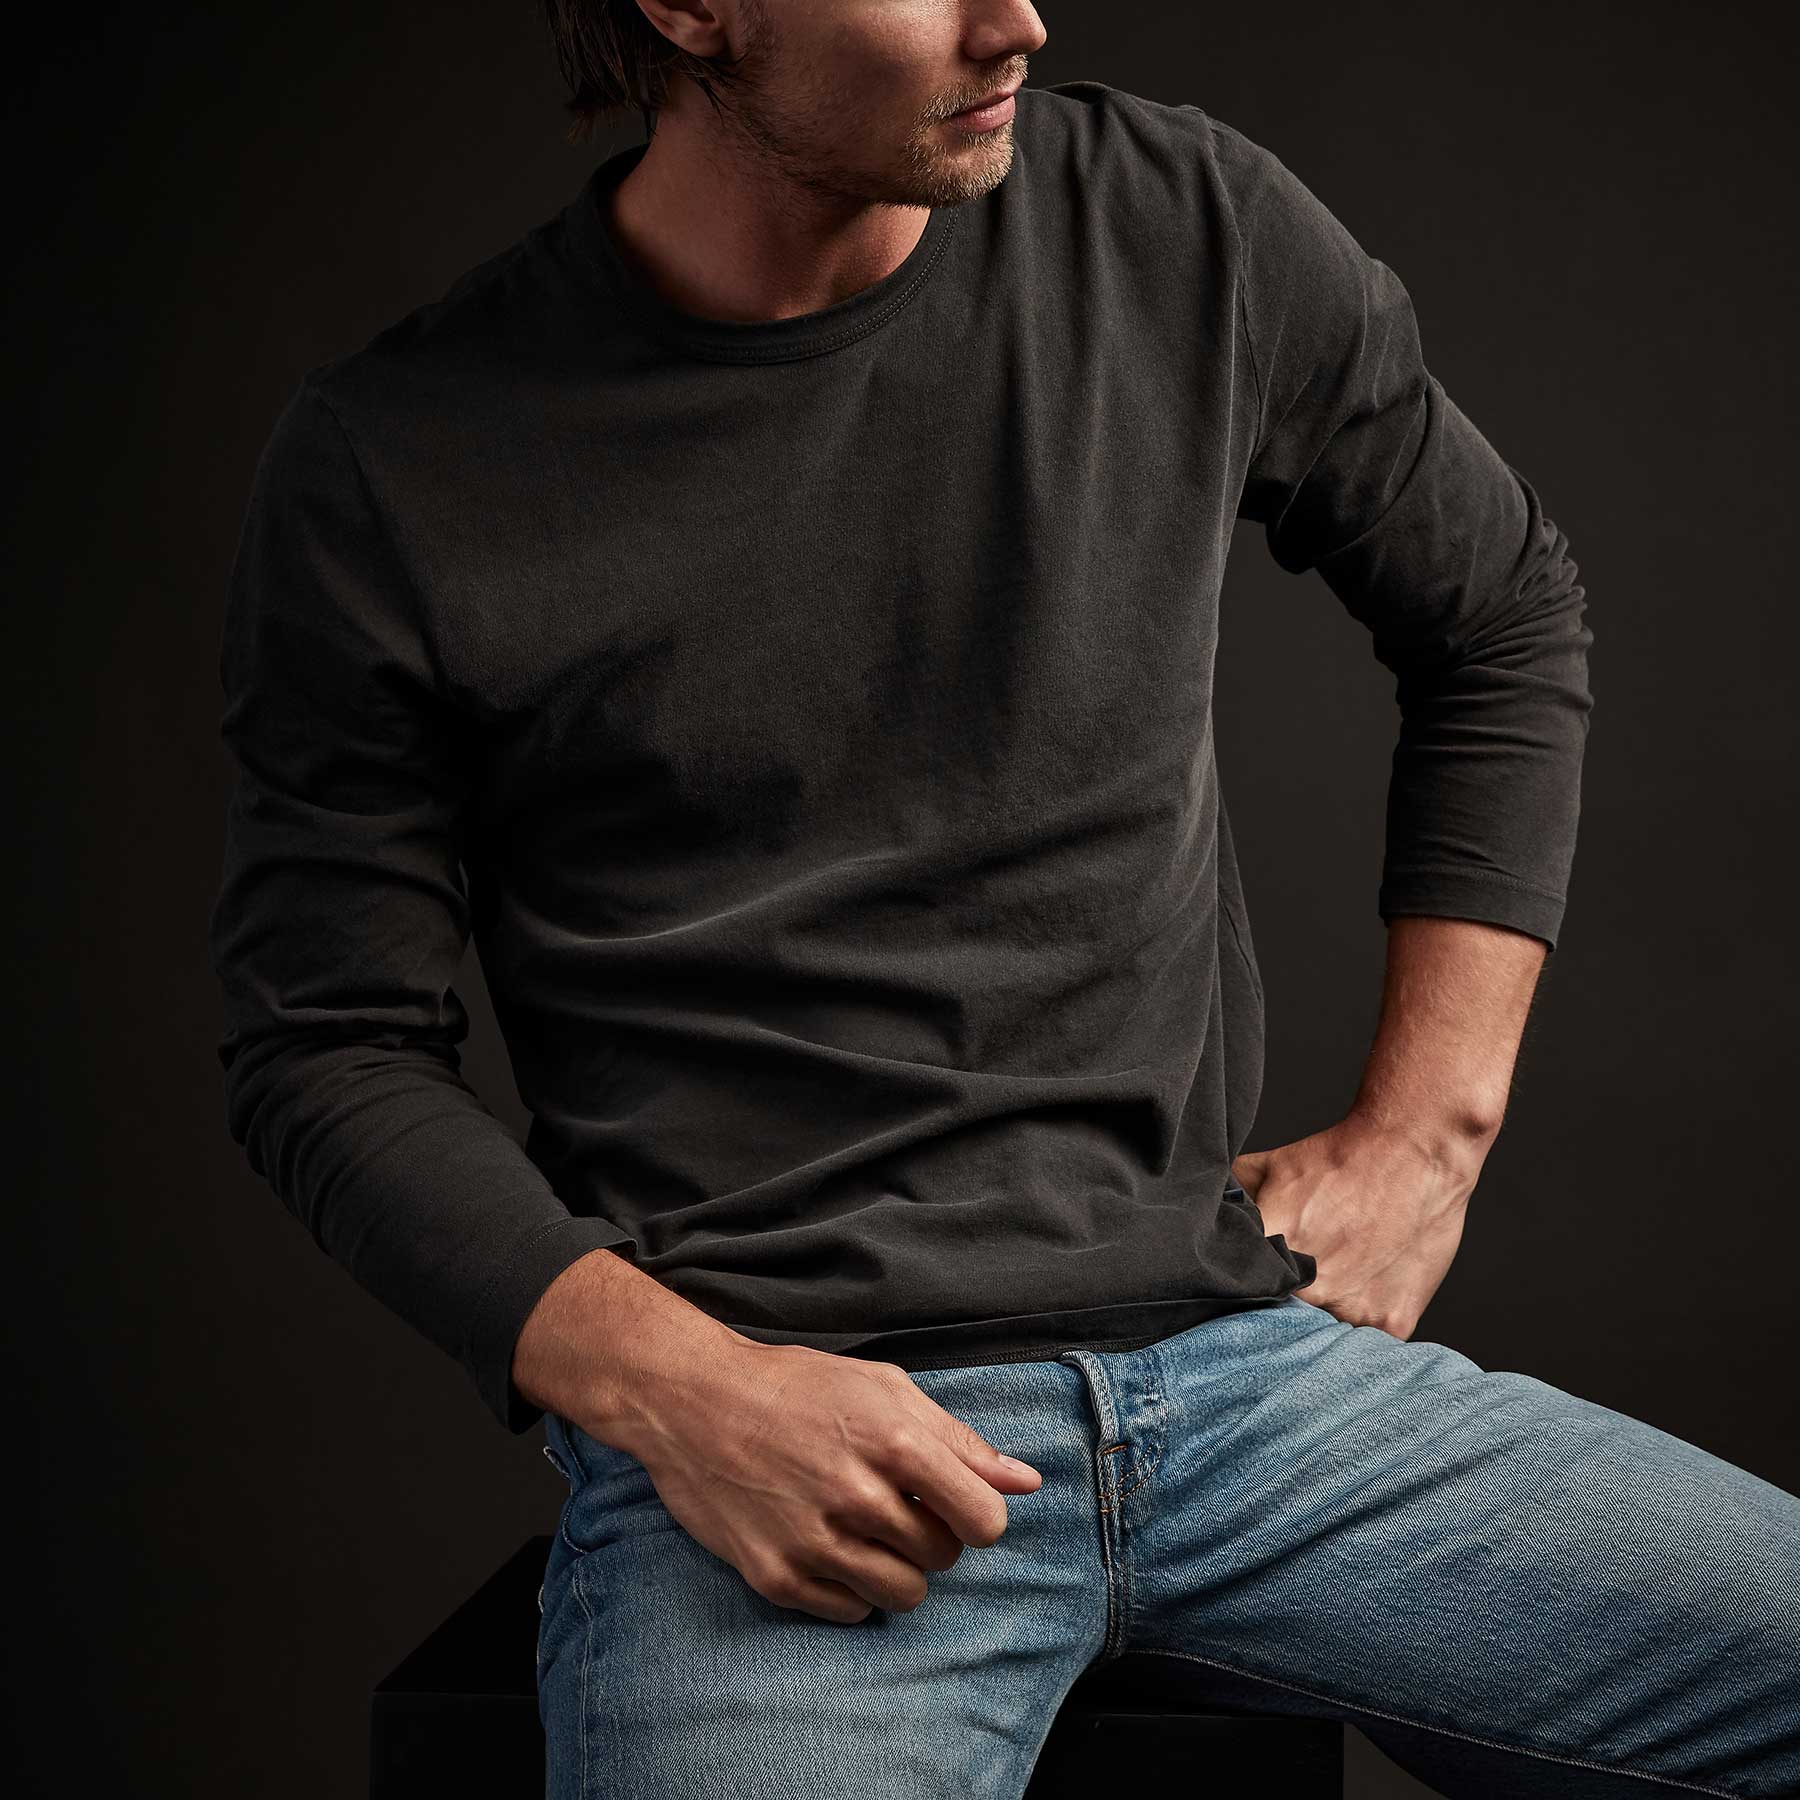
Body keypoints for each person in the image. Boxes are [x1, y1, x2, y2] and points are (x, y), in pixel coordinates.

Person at [206, 2, 1799, 1795]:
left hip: (1251, 1389)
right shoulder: (401, 456)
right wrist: (678, 1393)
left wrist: (1432, 1130)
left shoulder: (1177, 220)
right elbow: (325, 1047)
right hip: (793, 1442)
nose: (1016, 18)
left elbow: (1502, 609)